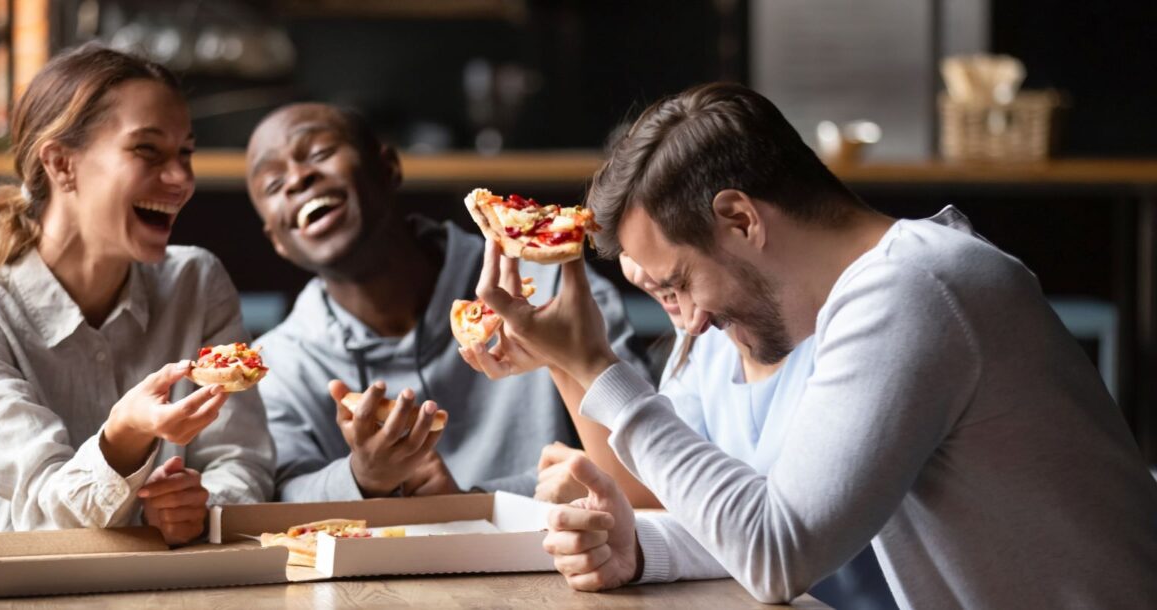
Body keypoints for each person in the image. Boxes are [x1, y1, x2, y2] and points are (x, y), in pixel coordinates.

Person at [463, 82, 1157, 608]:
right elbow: (762, 512)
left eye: (681, 283)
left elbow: (777, 553)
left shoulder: (915, 286)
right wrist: (639, 549)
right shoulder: (869, 299)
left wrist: (596, 367)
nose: (692, 324)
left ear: (739, 219)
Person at [244, 102, 644, 501]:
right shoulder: (280, 363)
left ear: (388, 168)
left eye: (320, 153)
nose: (297, 178)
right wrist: (363, 476)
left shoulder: (545, 287)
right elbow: (279, 492)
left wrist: (475, 500)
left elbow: (643, 449)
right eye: (274, 185)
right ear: (276, 239)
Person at [0, 45, 275, 543]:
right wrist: (123, 438)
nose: (181, 180)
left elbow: (241, 458)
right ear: (62, 164)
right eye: (148, 150)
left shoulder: (198, 280)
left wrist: (200, 506)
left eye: (185, 153)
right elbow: (45, 502)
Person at [536, 255, 895, 610]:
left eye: (656, 246)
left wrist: (580, 363)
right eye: (626, 251)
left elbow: (773, 543)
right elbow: (683, 501)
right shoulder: (703, 337)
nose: (643, 274)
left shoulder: (855, 329)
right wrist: (638, 548)